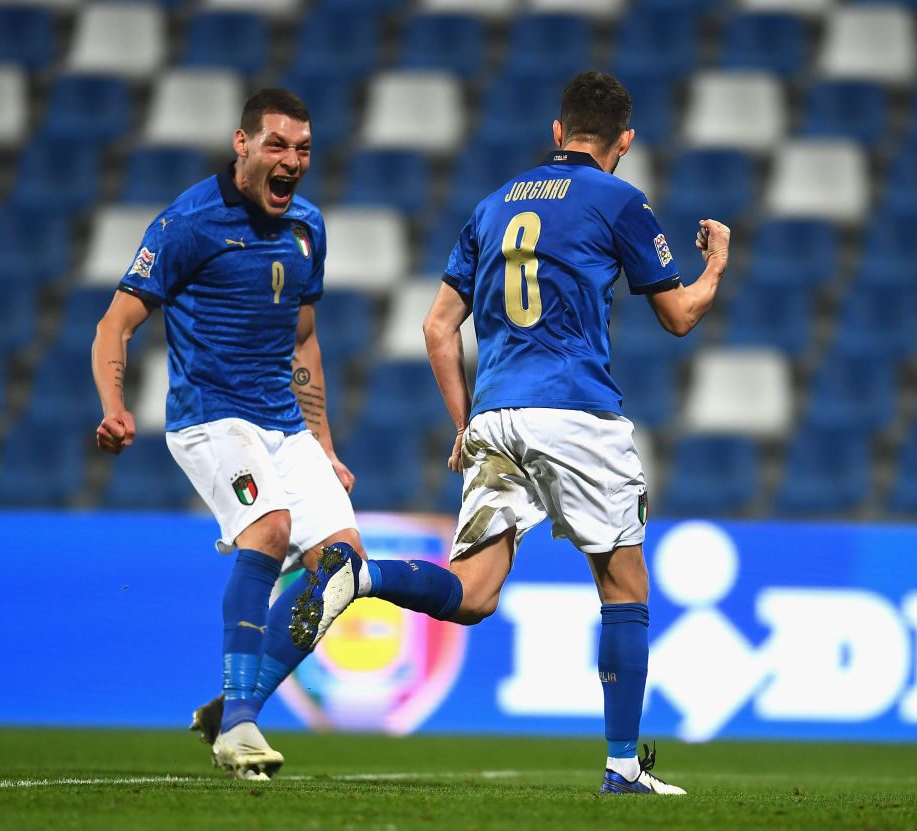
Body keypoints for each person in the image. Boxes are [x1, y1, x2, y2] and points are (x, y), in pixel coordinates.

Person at [293, 71, 730, 796]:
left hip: (496, 413)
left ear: (557, 133)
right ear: (624, 142)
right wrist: (716, 262)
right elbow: (678, 315)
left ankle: (364, 574)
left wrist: (465, 425)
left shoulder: (493, 205)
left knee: (473, 592)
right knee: (623, 585)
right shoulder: (620, 199)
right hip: (576, 411)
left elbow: (437, 326)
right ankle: (623, 767)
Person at [91, 89, 460, 781]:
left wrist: (323, 440)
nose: (292, 161)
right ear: (242, 145)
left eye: (303, 150)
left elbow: (304, 341)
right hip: (209, 417)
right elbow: (115, 324)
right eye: (278, 146)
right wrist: (113, 403)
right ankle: (240, 727)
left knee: (342, 567)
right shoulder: (187, 223)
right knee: (269, 527)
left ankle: (238, 698)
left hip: (284, 424)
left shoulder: (309, 228)